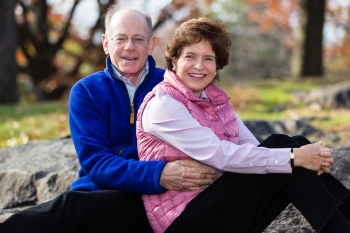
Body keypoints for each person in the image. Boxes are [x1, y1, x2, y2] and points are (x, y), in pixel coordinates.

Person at [0, 6, 219, 233]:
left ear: (151, 44)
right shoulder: (86, 91)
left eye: (138, 39)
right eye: (120, 38)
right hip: (104, 195)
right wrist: (158, 174)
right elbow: (97, 163)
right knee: (70, 208)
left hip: (164, 201)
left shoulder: (175, 85)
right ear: (106, 43)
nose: (129, 47)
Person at [136, 17, 350, 233]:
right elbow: (218, 154)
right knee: (287, 153)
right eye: (190, 56)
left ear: (217, 65)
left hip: (217, 201)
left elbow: (253, 149)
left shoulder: (216, 102)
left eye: (208, 58)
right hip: (185, 221)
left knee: (296, 144)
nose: (199, 66)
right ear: (174, 60)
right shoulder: (162, 104)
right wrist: (294, 157)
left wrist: (302, 156)